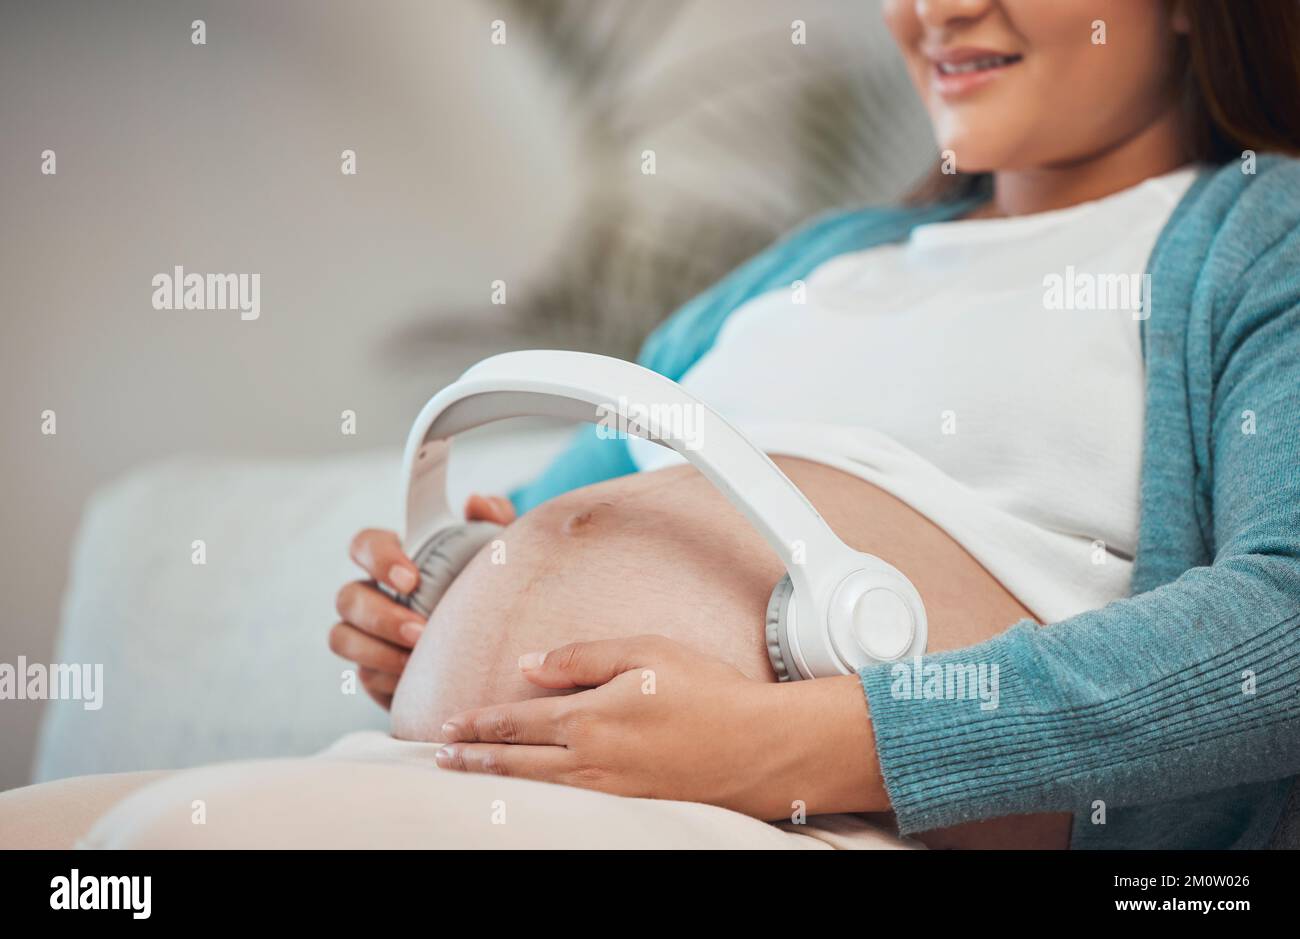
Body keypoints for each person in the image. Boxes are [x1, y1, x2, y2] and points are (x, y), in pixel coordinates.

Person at [3, 0, 1298, 850]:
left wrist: (798, 747)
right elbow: (559, 521)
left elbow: (1280, 629)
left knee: (159, 851)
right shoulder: (821, 263)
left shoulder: (1260, 237)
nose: (936, 10)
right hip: (493, 790)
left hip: (797, 821)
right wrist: (430, 617)